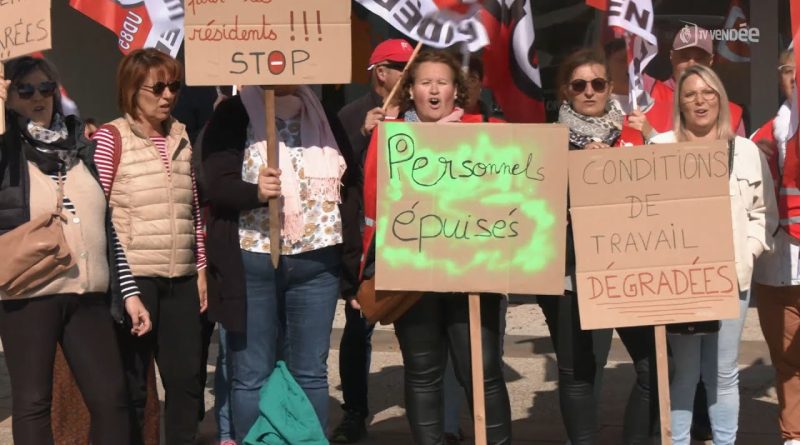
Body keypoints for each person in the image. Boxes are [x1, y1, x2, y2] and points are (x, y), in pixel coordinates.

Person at [360, 49, 512, 445]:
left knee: (481, 371)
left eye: (442, 82)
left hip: (473, 274)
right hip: (414, 273)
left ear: (455, 91)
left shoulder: (485, 131)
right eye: (425, 81)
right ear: (410, 89)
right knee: (423, 373)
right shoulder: (389, 136)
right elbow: (373, 201)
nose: (433, 90)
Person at [0, 56, 152, 445]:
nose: (39, 98)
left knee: (111, 400)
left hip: (88, 295)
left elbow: (107, 228)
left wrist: (129, 292)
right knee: (33, 402)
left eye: (46, 88)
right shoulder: (6, 154)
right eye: (26, 90)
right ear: (8, 94)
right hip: (28, 293)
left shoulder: (79, 147)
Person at [201, 83, 346, 443]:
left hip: (318, 259)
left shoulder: (322, 113)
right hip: (253, 258)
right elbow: (215, 183)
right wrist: (255, 191)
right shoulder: (233, 113)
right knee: (251, 374)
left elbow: (352, 182)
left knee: (310, 373)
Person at [649, 63, 777, 445]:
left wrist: (749, 252)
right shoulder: (659, 149)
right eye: (690, 94)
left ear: (721, 100)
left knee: (723, 373)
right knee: (685, 373)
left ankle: (724, 441)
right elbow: (641, 211)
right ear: (680, 104)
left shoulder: (747, 151)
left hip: (731, 279)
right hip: (680, 282)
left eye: (708, 93)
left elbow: (763, 213)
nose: (700, 101)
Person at [538, 48, 655, 445]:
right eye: (579, 85)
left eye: (599, 84)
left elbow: (665, 191)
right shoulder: (549, 141)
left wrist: (644, 143)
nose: (590, 92)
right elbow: (534, 206)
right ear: (566, 92)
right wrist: (576, 171)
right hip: (569, 274)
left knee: (655, 368)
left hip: (630, 270)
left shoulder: (634, 135)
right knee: (579, 373)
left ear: (610, 89)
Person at [91, 48, 207, 445]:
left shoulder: (181, 134)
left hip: (182, 277)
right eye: (157, 87)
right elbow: (98, 215)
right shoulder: (111, 138)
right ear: (130, 89)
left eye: (174, 85)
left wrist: (201, 267)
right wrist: (123, 289)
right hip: (135, 278)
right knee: (134, 388)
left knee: (187, 381)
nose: (168, 95)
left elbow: (192, 206)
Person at [331, 38, 414, 444]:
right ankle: (355, 412)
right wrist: (362, 136)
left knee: (417, 330)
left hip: (416, 240)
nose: (410, 72)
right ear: (381, 72)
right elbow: (333, 179)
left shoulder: (420, 115)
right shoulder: (349, 116)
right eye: (403, 65)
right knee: (358, 326)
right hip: (366, 245)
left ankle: (428, 418)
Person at [751, 48, 800, 445]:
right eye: (789, 70)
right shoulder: (758, 137)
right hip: (776, 266)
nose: (795, 77)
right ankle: (793, 434)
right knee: (787, 362)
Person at [641, 26, 746, 140]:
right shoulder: (648, 90)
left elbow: (739, 155)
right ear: (671, 56)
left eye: (700, 58)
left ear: (710, 60)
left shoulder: (732, 113)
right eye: (684, 57)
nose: (691, 64)